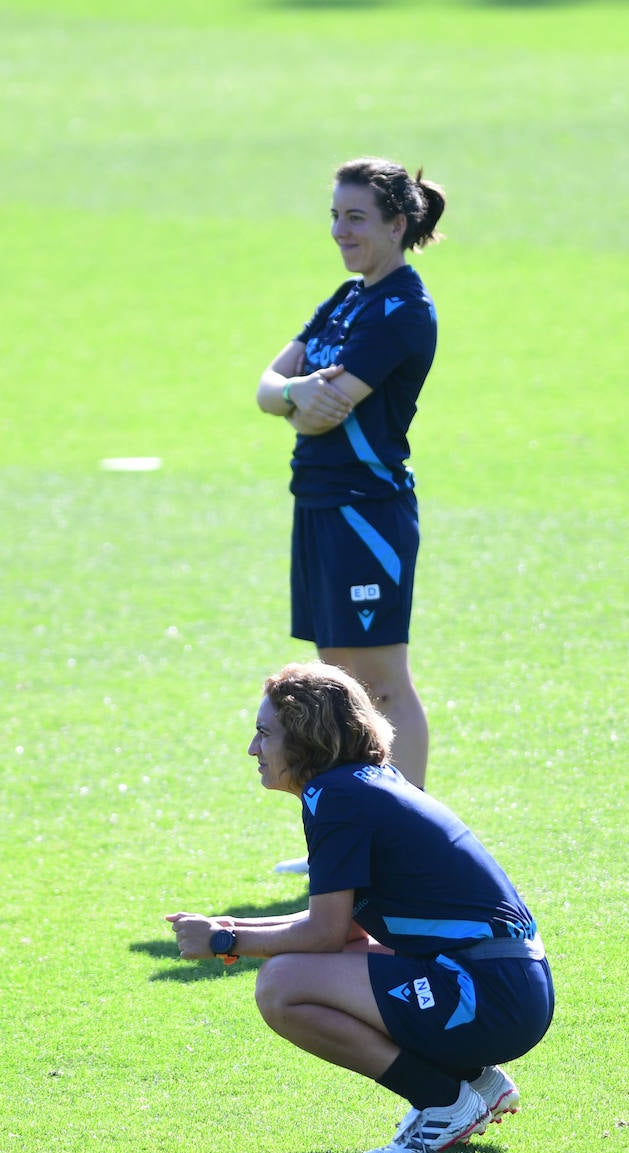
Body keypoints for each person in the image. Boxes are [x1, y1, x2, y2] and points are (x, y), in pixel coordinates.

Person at [166, 663, 554, 1153]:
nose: (253, 749)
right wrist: (228, 927)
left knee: (282, 986)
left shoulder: (336, 798)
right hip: (506, 984)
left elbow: (324, 933)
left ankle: (445, 1100)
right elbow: (344, 928)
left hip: (491, 993)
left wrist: (224, 943)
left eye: (265, 733)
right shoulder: (360, 784)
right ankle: (472, 1079)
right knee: (328, 958)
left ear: (304, 739)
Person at [256, 158, 445, 837]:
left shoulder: (401, 310)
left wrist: (295, 396)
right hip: (317, 506)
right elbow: (268, 387)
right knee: (336, 684)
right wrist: (294, 391)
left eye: (356, 217)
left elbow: (319, 413)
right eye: (335, 215)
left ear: (397, 223)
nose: (341, 230)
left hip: (367, 512)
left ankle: (406, 837)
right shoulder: (344, 299)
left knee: (382, 683)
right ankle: (349, 836)